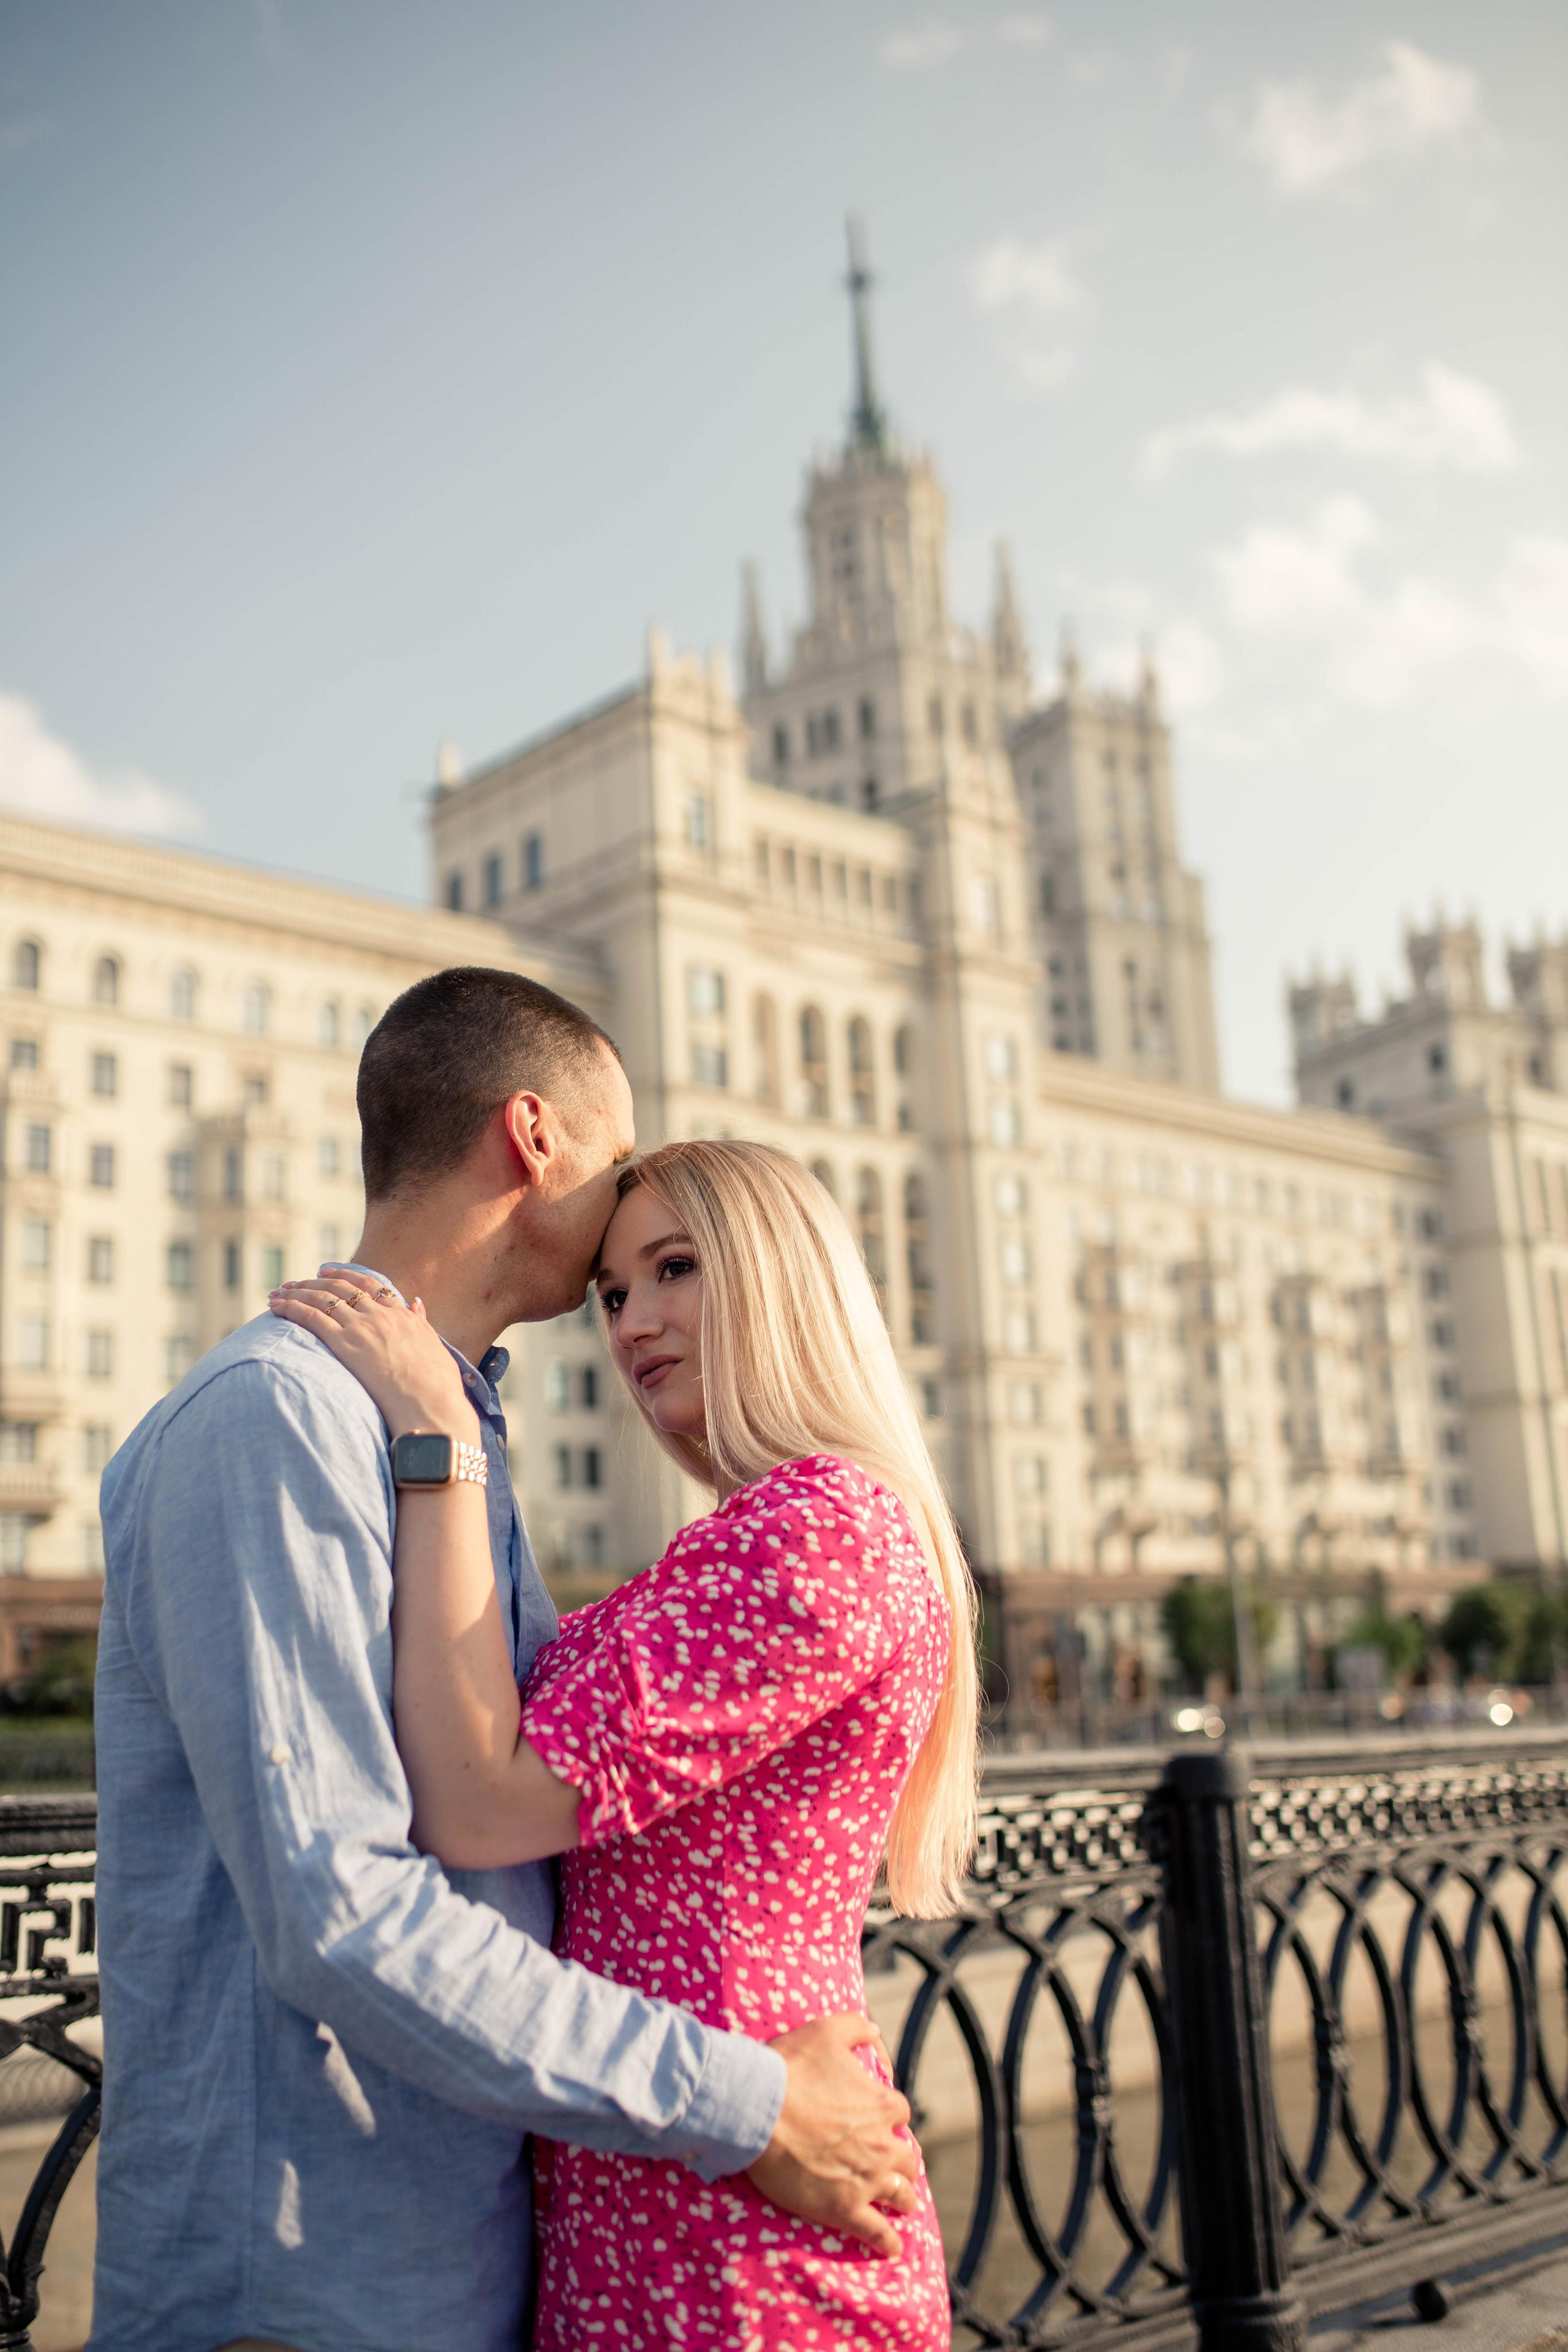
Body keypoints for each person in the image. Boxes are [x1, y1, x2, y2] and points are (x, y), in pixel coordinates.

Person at [89, 970, 917, 2352]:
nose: (631, 1212)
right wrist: (745, 2100)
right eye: (617, 1161)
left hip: (460, 2271)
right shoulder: (278, 1418)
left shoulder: (446, 1442)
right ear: (535, 1139)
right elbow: (341, 1908)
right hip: (305, 2289)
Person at [269, 1136, 979, 2350]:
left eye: (675, 1269)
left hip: (742, 2233)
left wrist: (439, 1438)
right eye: (610, 1293)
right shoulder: (767, 1534)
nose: (632, 1322)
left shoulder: (816, 1537)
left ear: (778, 1277)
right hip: (673, 2182)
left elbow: (483, 1805)